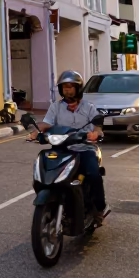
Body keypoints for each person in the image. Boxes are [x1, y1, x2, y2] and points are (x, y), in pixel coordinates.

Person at [29, 70, 108, 226]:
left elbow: (98, 127)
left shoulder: (88, 107)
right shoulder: (55, 107)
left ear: (78, 88)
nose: (67, 90)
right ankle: (51, 201)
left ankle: (99, 209)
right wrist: (36, 131)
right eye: (64, 87)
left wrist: (95, 133)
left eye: (71, 86)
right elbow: (47, 123)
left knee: (93, 174)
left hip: (83, 149)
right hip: (61, 149)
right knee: (43, 171)